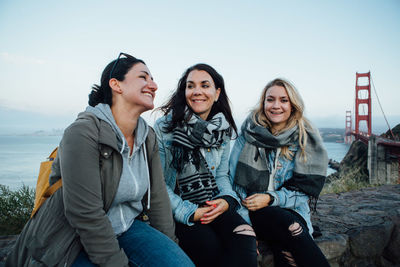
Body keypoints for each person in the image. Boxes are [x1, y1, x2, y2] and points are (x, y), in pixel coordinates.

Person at [6, 53, 194, 267]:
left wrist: (169, 247)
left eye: (152, 79)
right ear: (116, 84)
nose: (154, 85)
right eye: (144, 77)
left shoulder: (147, 136)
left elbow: (158, 199)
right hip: (73, 236)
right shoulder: (83, 133)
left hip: (127, 227)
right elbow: (85, 214)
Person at [154, 63, 257, 267]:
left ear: (217, 93)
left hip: (212, 204)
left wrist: (227, 200)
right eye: (191, 86)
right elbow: (158, 184)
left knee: (245, 234)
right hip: (180, 210)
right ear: (184, 92)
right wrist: (189, 212)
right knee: (209, 246)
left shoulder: (222, 130)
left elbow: (221, 175)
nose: (197, 91)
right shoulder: (164, 128)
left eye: (204, 85)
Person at [229, 78, 330, 267]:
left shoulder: (304, 137)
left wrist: (270, 198)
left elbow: (302, 192)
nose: (276, 106)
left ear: (293, 105)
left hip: (293, 211)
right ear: (263, 103)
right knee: (290, 228)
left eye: (284, 100)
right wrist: (245, 224)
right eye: (270, 99)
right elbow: (234, 184)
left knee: (286, 251)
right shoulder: (248, 134)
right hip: (254, 213)